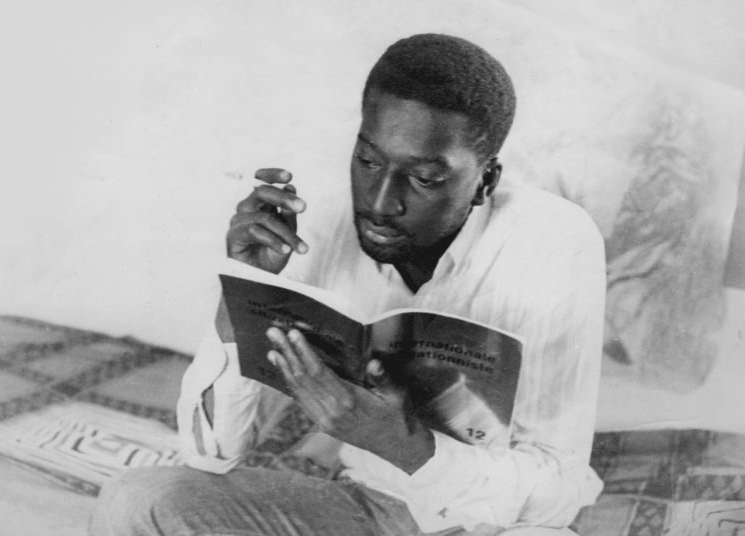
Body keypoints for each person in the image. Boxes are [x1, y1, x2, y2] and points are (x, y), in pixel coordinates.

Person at [90, 33, 606, 536]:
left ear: (485, 181)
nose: (379, 203)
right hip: (365, 510)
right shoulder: (319, 222)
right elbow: (210, 453)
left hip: (491, 523)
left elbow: (557, 492)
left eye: (424, 179)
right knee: (138, 500)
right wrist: (246, 285)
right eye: (368, 161)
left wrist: (405, 445)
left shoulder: (553, 243)